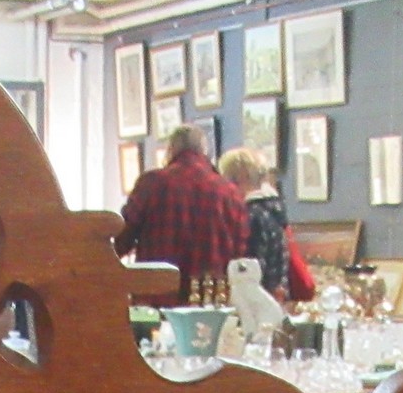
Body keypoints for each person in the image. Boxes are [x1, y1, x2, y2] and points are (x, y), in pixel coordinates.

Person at [115, 123, 247, 301]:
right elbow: (240, 252)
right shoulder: (230, 192)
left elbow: (123, 238)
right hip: (210, 301)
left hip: (158, 296)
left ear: (171, 150)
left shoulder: (151, 183)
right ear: (205, 151)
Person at [217, 146, 315, 303]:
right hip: (277, 299)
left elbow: (251, 270)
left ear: (241, 178)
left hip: (256, 304)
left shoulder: (251, 216)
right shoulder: (273, 210)